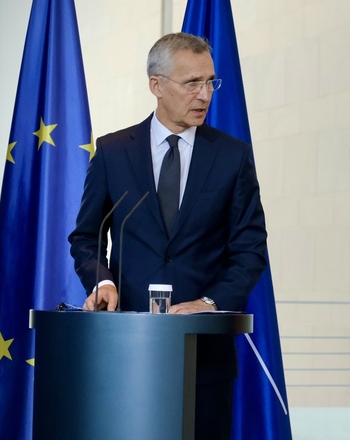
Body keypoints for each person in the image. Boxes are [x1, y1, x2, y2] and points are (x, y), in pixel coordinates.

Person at [68, 32, 267, 439]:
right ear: (156, 85)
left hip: (203, 356)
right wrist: (101, 280)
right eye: (191, 82)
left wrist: (210, 303)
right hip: (125, 347)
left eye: (211, 82)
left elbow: (250, 249)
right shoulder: (112, 152)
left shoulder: (232, 156)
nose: (204, 94)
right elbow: (85, 237)